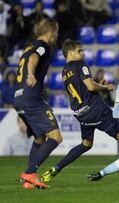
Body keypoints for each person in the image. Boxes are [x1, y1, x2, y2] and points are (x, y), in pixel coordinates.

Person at [40, 39, 119, 183]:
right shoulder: (80, 64)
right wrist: (106, 88)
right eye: (79, 51)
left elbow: (85, 88)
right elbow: (90, 86)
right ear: (70, 52)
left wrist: (97, 87)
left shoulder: (64, 71)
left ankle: (57, 167)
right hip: (96, 110)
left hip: (81, 113)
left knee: (86, 143)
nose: (82, 53)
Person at [14, 19, 61, 189]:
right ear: (50, 33)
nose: (56, 37)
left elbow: (30, 57)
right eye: (55, 33)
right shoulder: (42, 45)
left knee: (40, 138)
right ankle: (29, 173)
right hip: (31, 98)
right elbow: (34, 58)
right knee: (55, 137)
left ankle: (28, 179)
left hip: (19, 98)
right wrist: (31, 74)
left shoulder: (28, 47)